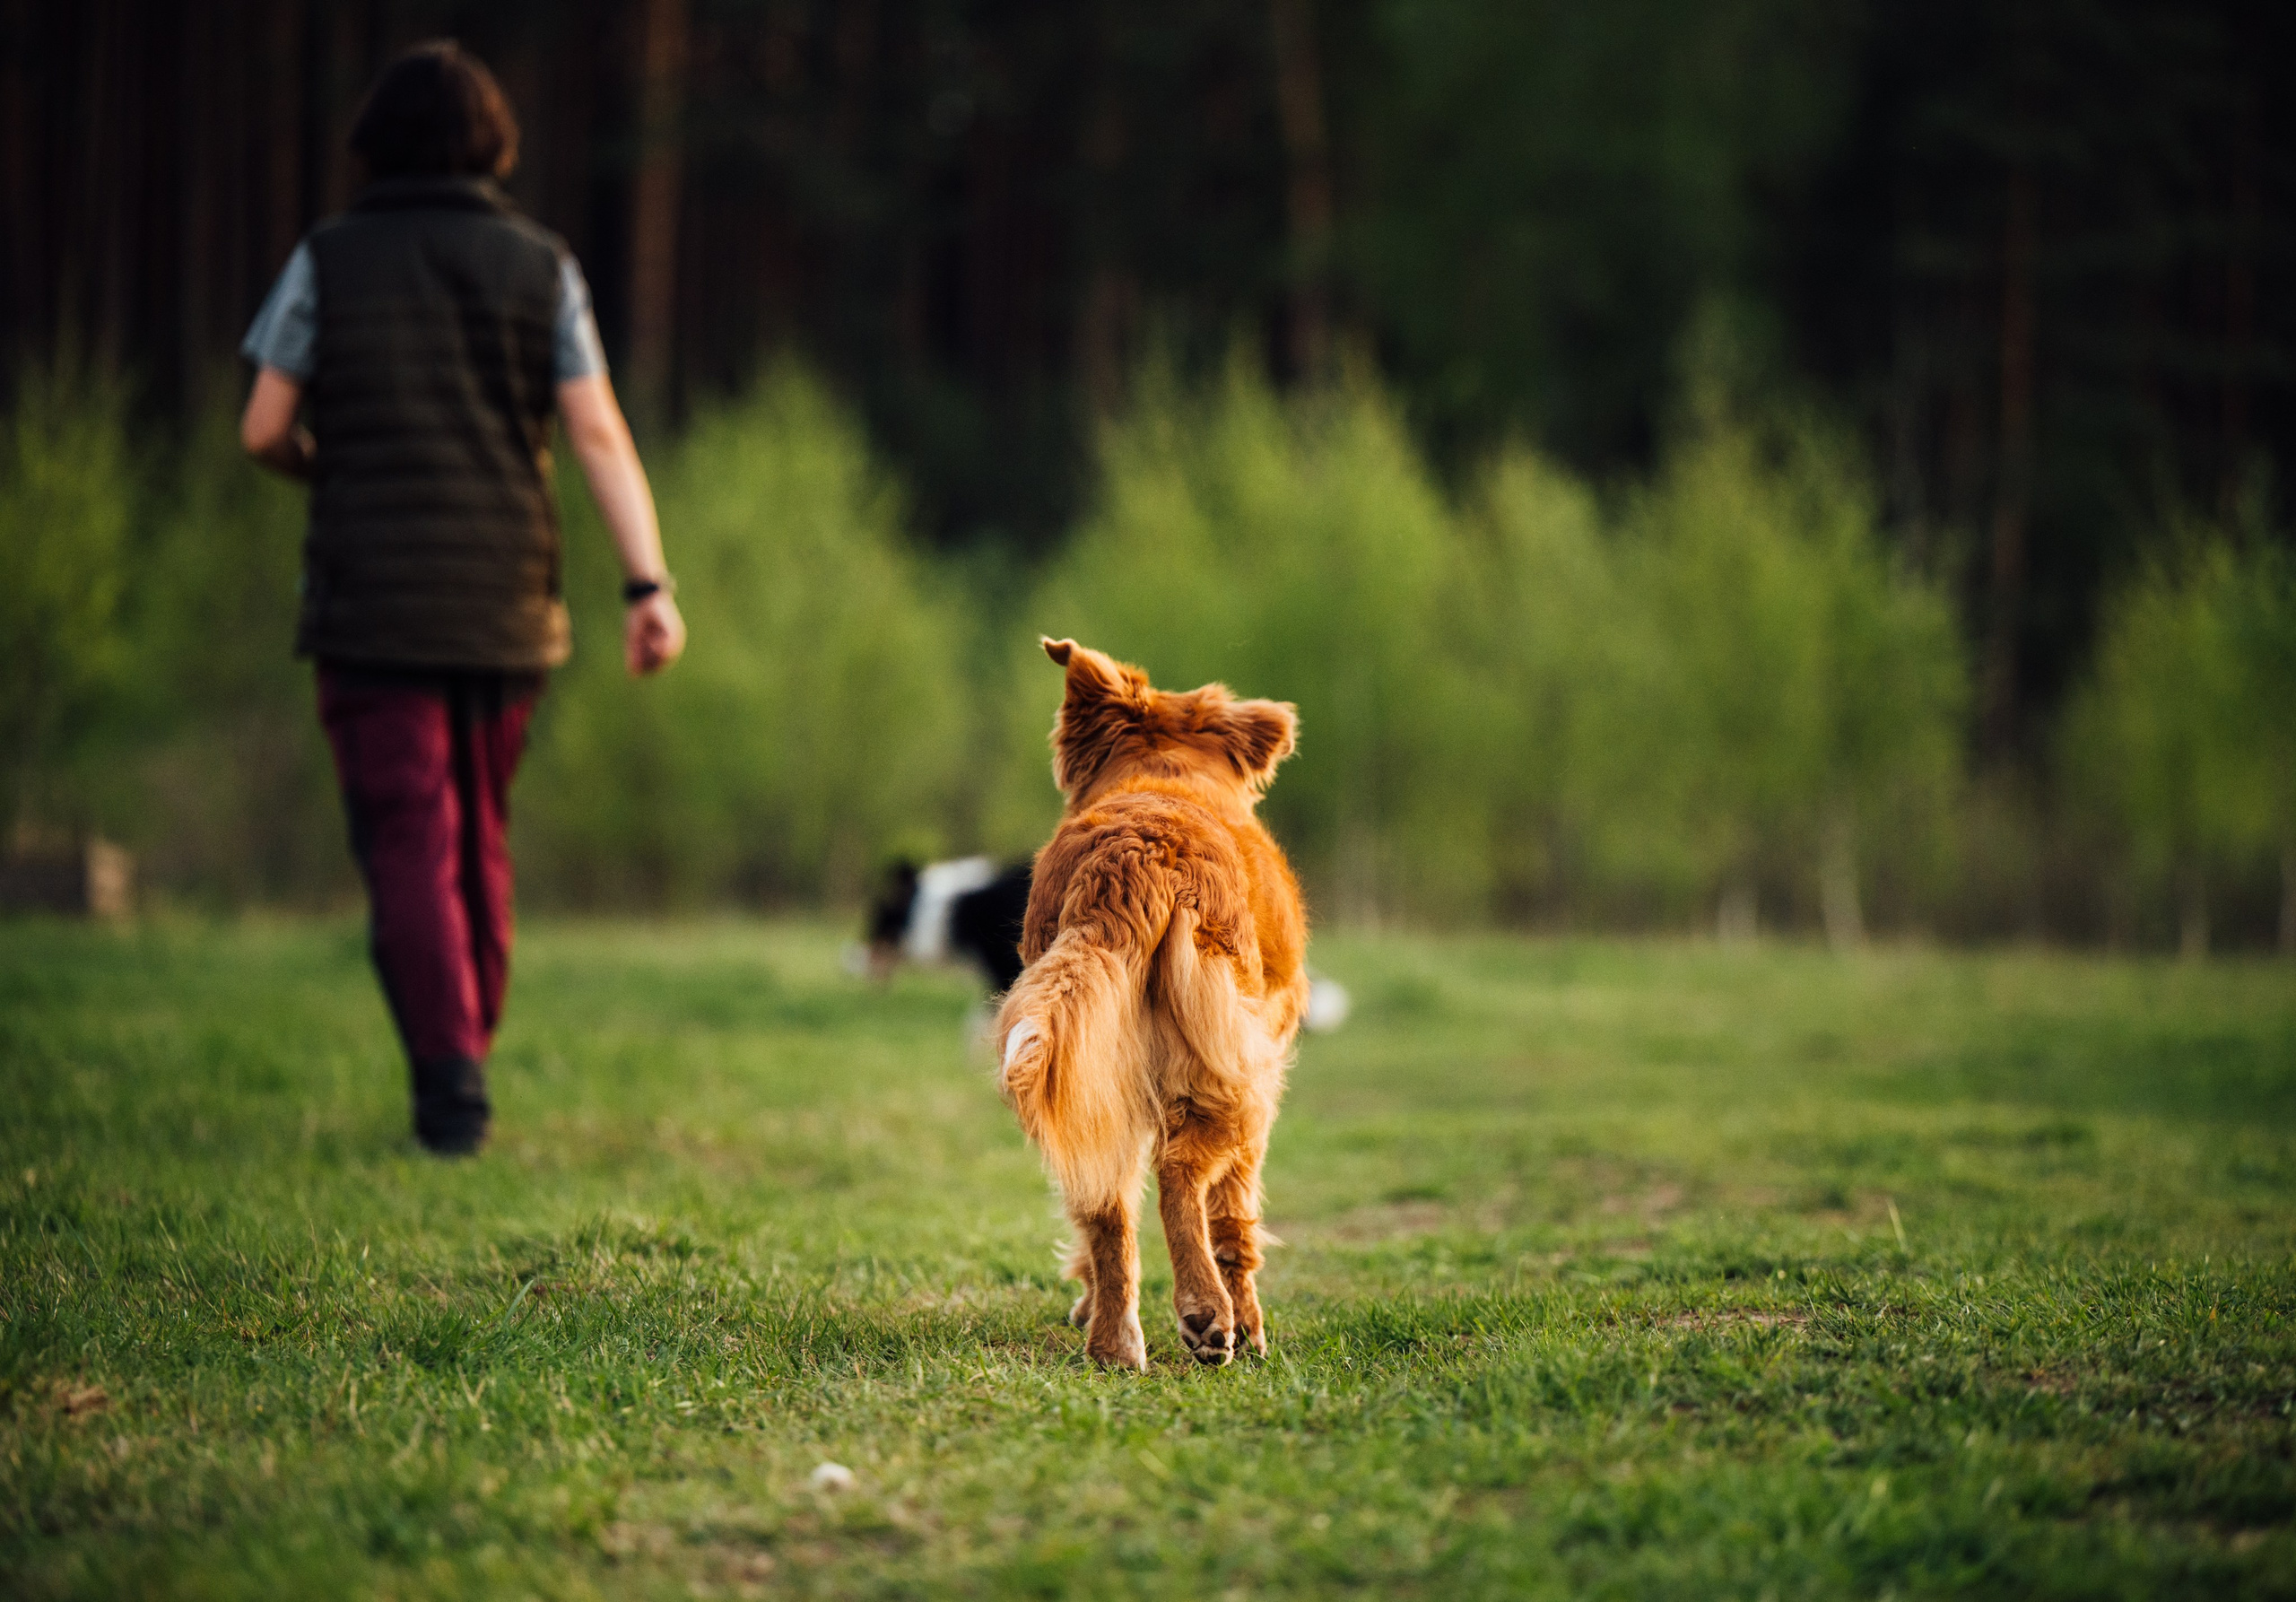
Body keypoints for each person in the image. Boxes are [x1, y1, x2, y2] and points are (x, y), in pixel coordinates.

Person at [239, 39, 685, 1155]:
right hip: (503, 606)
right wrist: (646, 584)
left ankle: (450, 1087)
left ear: (375, 143)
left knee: (408, 834)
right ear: (493, 143)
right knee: (476, 829)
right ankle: (466, 1046)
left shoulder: (329, 258)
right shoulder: (541, 267)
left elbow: (260, 427)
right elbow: (595, 431)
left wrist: (326, 468)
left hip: (372, 605)